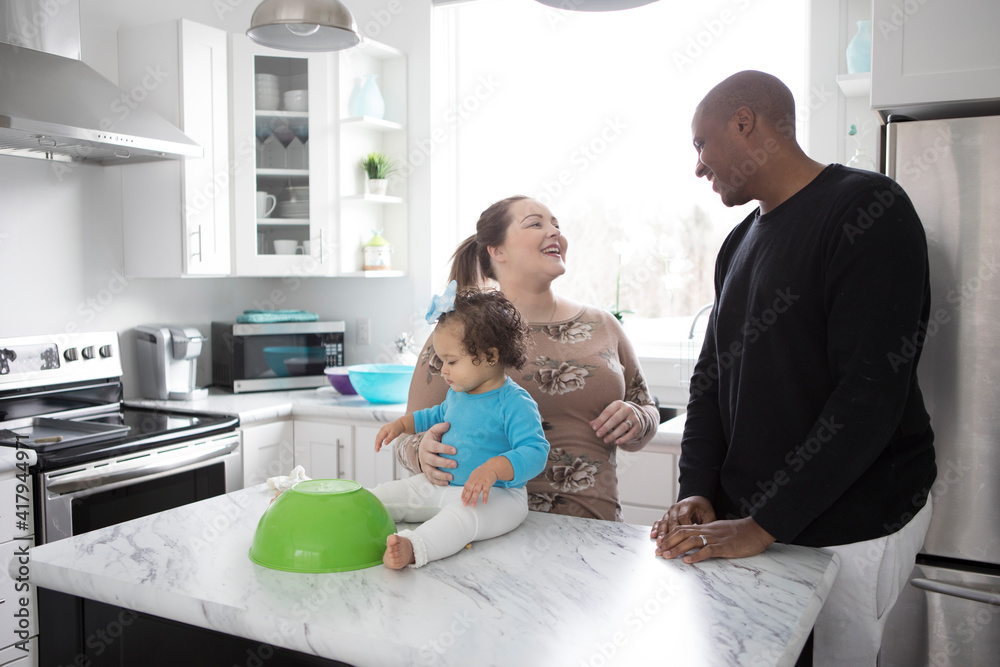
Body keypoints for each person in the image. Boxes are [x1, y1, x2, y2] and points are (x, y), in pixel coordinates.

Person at [651, 70, 937, 666]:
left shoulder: (868, 209)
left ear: (745, 123)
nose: (698, 167)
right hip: (753, 525)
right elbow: (711, 381)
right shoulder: (738, 243)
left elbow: (870, 393)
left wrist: (764, 524)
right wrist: (699, 489)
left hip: (852, 521)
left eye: (700, 145)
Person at [392, 195, 660, 522]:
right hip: (488, 528)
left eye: (557, 226)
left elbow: (646, 408)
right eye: (536, 223)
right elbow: (405, 435)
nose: (555, 233)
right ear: (496, 250)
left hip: (596, 533)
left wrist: (640, 418)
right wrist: (421, 452)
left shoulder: (603, 325)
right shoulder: (459, 333)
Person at [372, 284, 549, 569]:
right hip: (446, 484)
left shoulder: (514, 402)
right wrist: (402, 424)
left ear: (490, 356)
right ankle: (351, 509)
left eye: (451, 361)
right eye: (442, 361)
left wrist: (493, 469)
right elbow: (435, 415)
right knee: (397, 492)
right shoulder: (458, 393)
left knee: (460, 520)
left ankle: (414, 547)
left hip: (499, 496)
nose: (443, 370)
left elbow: (535, 451)